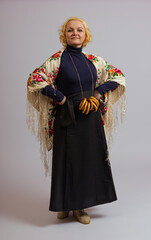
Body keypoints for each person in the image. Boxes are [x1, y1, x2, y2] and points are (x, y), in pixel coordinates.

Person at [27, 17, 126, 224]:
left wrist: (98, 93)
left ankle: (80, 207)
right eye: (70, 30)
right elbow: (34, 80)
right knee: (65, 160)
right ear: (64, 35)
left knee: (86, 161)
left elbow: (118, 76)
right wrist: (60, 98)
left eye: (79, 30)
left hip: (90, 117)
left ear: (85, 34)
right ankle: (64, 204)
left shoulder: (94, 61)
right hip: (67, 116)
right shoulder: (56, 60)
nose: (75, 33)